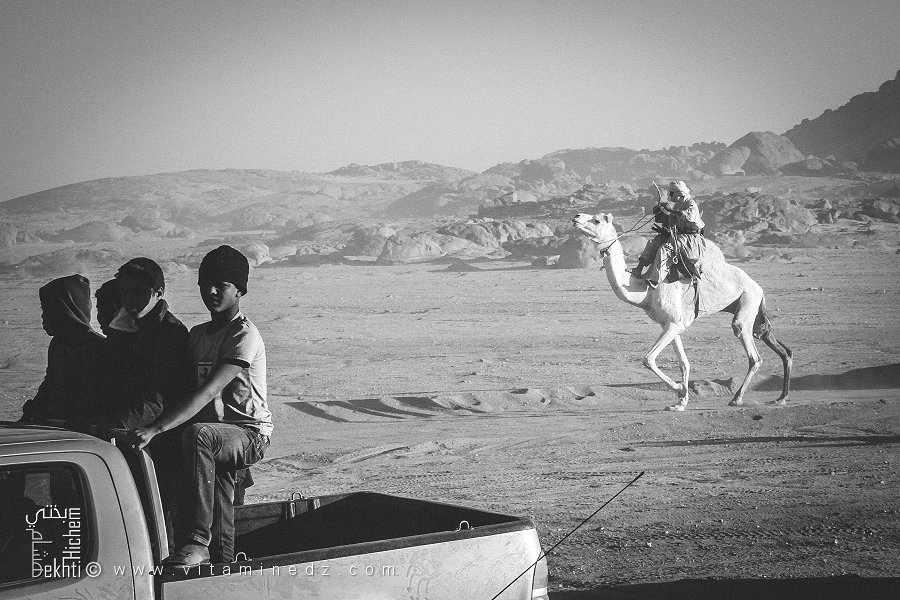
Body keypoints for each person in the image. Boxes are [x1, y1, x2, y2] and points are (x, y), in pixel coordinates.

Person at [130, 245, 271, 566]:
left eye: (221, 285)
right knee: (222, 519)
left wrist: (155, 428)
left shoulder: (243, 334)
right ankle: (221, 572)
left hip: (248, 435)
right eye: (205, 282)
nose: (210, 291)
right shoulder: (196, 336)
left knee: (197, 435)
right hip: (214, 439)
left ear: (240, 290)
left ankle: (197, 539)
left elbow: (208, 391)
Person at [20, 275, 107, 423]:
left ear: (65, 311)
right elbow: (50, 384)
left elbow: (91, 403)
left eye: (47, 310)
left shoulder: (97, 350)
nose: (42, 316)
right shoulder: (58, 344)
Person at [633, 180, 705, 288]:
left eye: (671, 193)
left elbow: (685, 216)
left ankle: (655, 280)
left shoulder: (690, 204)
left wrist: (670, 211)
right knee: (654, 242)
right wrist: (660, 212)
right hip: (678, 235)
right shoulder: (677, 205)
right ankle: (639, 269)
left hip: (690, 238)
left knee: (665, 249)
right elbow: (669, 219)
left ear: (679, 193)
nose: (669, 195)